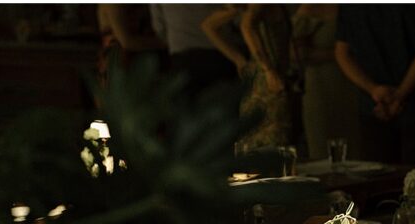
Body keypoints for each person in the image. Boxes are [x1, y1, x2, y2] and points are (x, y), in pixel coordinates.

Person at [334, 6, 415, 165]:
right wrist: (399, 94)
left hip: (375, 104)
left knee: (378, 178)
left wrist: (374, 90)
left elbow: (342, 53)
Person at [203, 4, 295, 152]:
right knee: (271, 141)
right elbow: (246, 27)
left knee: (268, 142)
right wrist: (267, 69)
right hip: (267, 81)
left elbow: (209, 25)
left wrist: (238, 59)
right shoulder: (258, 6)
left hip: (266, 77)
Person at [292, 4, 360, 160]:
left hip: (356, 86)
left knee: (357, 149)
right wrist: (339, 55)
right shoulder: (312, 8)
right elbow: (294, 51)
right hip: (322, 87)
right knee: (324, 148)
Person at [150, 4, 237, 101]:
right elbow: (237, 15)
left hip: (182, 55)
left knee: (189, 109)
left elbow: (159, 28)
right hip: (222, 52)